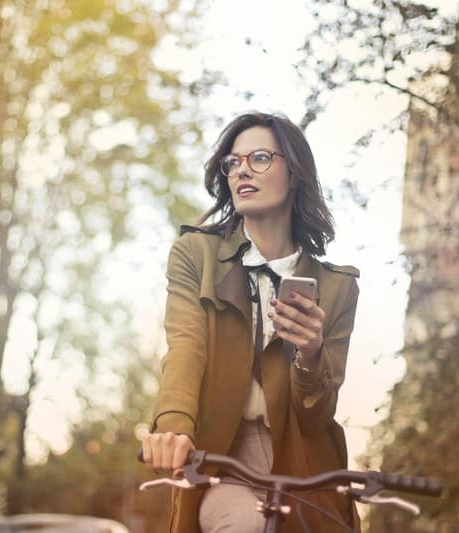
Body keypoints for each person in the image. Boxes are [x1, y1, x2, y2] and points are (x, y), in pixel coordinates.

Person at [141, 112, 361, 532]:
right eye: (233, 162)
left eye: (260, 158)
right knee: (243, 524)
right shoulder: (195, 254)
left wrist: (311, 353)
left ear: (294, 173)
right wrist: (171, 428)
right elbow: (186, 348)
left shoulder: (337, 288)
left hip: (308, 470)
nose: (241, 168)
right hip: (222, 459)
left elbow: (317, 417)